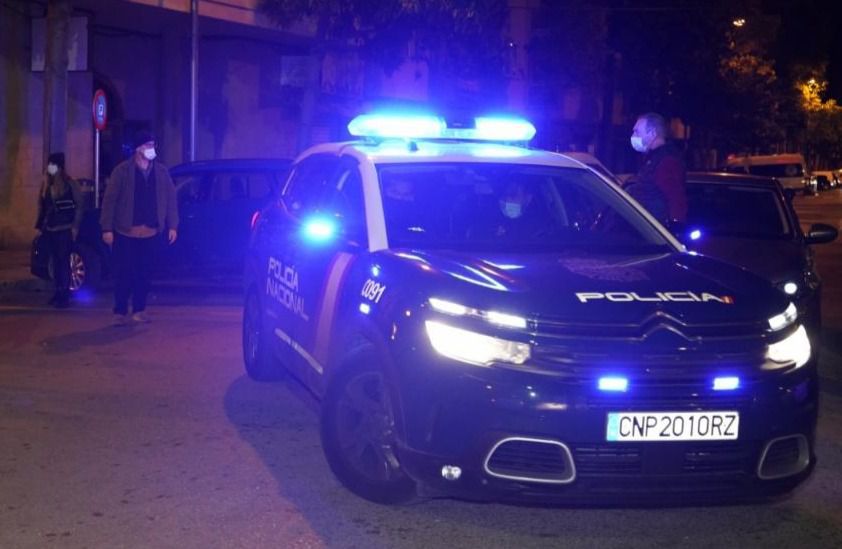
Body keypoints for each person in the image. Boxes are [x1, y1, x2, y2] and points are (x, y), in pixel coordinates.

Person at [100, 130, 178, 325]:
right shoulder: (122, 171)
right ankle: (119, 311)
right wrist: (107, 228)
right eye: (147, 146)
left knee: (144, 273)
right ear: (138, 149)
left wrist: (173, 225)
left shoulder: (161, 172)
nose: (152, 149)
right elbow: (110, 200)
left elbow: (170, 199)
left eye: (153, 145)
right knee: (124, 272)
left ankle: (139, 310)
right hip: (126, 232)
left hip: (151, 232)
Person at [34, 152, 83, 308]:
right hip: (50, 228)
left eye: (52, 165)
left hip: (64, 228)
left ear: (59, 167)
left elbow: (79, 206)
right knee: (55, 262)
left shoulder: (69, 184)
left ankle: (64, 295)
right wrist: (40, 226)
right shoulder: (47, 185)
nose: (49, 168)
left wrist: (75, 226)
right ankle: (58, 292)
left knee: (63, 262)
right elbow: (43, 207)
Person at [626, 112, 687, 227]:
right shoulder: (653, 158)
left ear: (652, 134)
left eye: (637, 132)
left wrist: (674, 226)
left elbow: (675, 198)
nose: (633, 136)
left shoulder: (666, 161)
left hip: (654, 227)